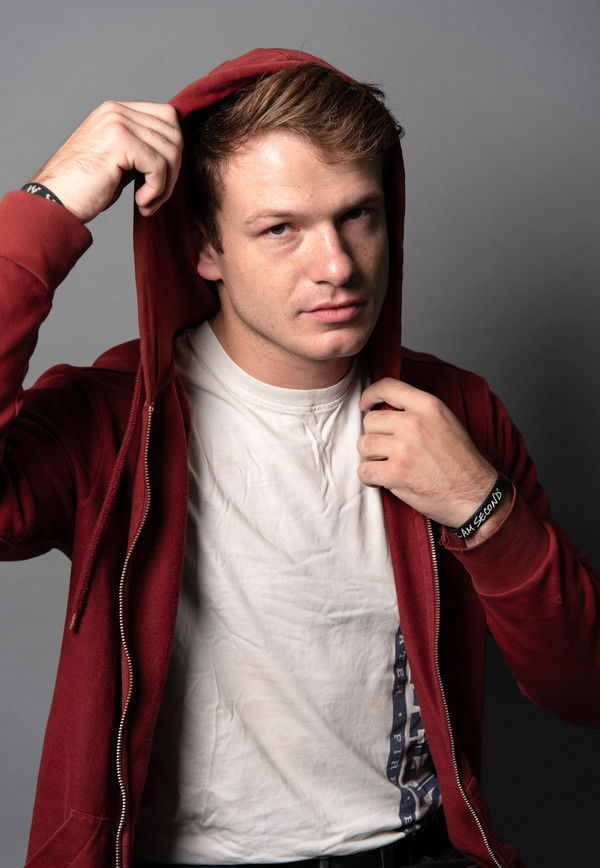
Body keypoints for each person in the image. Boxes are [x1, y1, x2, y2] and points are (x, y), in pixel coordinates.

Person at [0, 48, 598, 868]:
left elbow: (584, 687)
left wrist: (484, 510)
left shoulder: (455, 413)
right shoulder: (112, 423)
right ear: (204, 248)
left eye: (359, 216)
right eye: (281, 229)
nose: (338, 266)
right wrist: (49, 203)